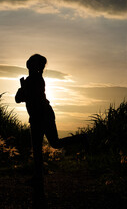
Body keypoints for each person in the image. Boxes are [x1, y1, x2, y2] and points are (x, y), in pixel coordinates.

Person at [15, 54, 87, 184]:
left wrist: (23, 90)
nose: (29, 64)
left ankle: (83, 138)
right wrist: (23, 90)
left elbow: (27, 97)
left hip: (42, 115)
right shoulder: (31, 80)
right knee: (42, 146)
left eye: (31, 63)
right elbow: (18, 99)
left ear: (33, 66)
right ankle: (38, 177)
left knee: (52, 144)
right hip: (39, 116)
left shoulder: (35, 80)